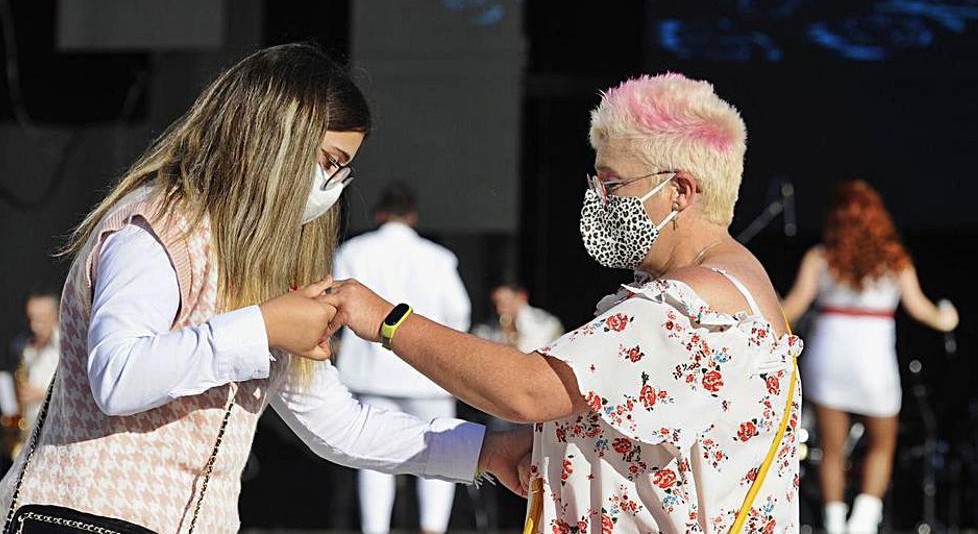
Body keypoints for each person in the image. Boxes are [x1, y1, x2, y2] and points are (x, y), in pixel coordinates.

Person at [0, 44, 524, 534]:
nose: (334, 186)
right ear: (276, 138)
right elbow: (119, 375)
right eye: (330, 161)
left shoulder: (261, 266)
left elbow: (340, 424)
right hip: (83, 518)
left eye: (345, 171)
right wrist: (262, 326)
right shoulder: (157, 227)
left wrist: (485, 451)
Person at [322, 73, 805, 533]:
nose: (599, 200)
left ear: (679, 191)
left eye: (613, 185)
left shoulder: (691, 304)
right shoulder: (736, 284)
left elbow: (527, 391)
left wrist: (387, 321)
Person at [781, 179, 958, 534]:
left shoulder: (820, 258)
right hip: (873, 363)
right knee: (881, 445)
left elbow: (791, 309)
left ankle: (834, 525)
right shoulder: (895, 260)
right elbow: (922, 310)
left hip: (828, 358)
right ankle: (862, 524)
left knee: (832, 450)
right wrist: (947, 316)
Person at [333, 182, 472, 534]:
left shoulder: (353, 251)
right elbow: (459, 312)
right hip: (428, 375)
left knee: (373, 458)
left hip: (371, 373)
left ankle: (375, 529)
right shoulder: (438, 258)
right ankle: (432, 528)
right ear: (412, 216)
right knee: (441, 453)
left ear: (379, 213)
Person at [4, 292, 61, 458]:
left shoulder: (65, 346)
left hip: (53, 435)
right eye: (31, 319)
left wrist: (41, 394)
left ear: (55, 315)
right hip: (27, 433)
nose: (34, 326)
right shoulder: (22, 345)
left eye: (41, 319)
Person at [472, 282, 564, 352]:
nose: (499, 310)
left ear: (522, 297)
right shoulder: (485, 330)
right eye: (495, 304)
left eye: (506, 303)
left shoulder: (547, 324)